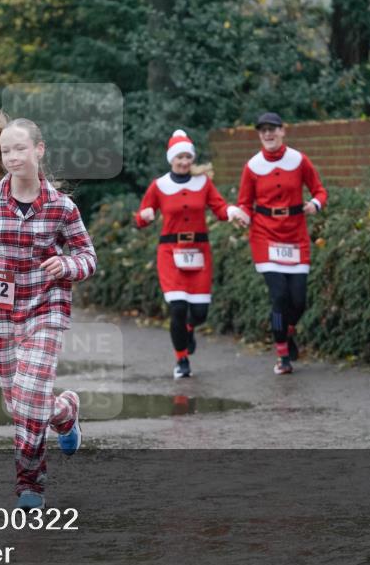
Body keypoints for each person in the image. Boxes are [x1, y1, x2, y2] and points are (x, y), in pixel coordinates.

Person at [0, 108, 96, 510]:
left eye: (20, 149)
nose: (13, 157)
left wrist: (66, 265)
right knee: (21, 402)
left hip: (46, 308)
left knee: (30, 394)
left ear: (39, 150)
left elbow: (87, 256)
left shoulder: (62, 207)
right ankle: (64, 411)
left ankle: (30, 484)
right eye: (6, 152)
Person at [135, 129, 248, 379]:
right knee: (177, 307)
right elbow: (141, 217)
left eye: (188, 157)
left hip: (199, 251)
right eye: (180, 157)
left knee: (199, 313)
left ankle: (189, 328)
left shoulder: (203, 183)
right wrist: (144, 216)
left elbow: (219, 207)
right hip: (170, 252)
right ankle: (182, 359)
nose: (184, 162)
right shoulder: (159, 186)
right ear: (171, 159)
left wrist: (232, 212)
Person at [233, 113, 328, 375]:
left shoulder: (299, 160)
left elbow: (320, 190)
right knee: (280, 296)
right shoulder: (252, 166)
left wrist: (315, 204)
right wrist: (242, 215)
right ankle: (282, 356)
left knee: (298, 301)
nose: (268, 134)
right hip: (265, 235)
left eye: (272, 129)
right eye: (263, 130)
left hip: (295, 235)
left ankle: (287, 331)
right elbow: (245, 202)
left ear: (282, 131)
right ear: (259, 135)